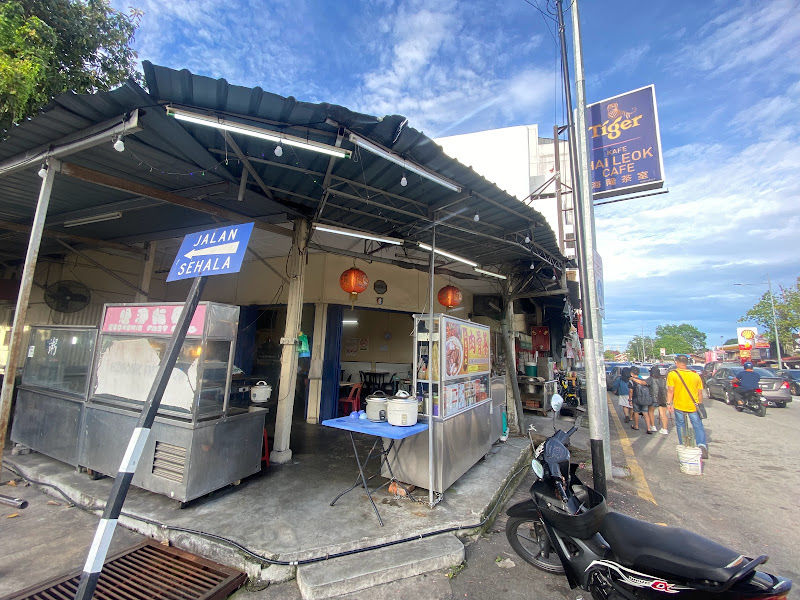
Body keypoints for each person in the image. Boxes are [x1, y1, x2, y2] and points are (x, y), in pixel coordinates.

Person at [666, 355, 708, 458]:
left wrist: (669, 403)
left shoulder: (673, 374)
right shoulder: (695, 375)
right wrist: (700, 404)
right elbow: (700, 393)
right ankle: (701, 445)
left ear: (676, 362)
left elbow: (670, 390)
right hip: (693, 406)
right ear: (687, 363)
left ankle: (684, 444)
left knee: (681, 425)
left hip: (679, 405)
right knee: (698, 425)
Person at [629, 366, 655, 433]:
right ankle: (649, 428)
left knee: (636, 412)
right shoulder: (643, 380)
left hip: (636, 398)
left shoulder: (631, 381)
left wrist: (630, 399)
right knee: (645, 413)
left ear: (631, 373)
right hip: (644, 399)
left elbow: (631, 391)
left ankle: (636, 426)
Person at [648, 365, 669, 434]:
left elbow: (643, 383)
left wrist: (634, 379)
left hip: (654, 398)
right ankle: (665, 429)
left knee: (651, 411)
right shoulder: (663, 380)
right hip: (663, 398)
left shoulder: (650, 379)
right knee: (663, 414)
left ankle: (653, 426)